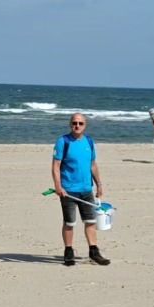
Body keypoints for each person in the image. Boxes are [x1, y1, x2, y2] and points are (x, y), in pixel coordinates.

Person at [51, 113, 111, 267]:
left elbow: (93, 164)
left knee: (90, 221)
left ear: (85, 125)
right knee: (69, 223)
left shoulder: (89, 142)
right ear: (70, 124)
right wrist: (58, 186)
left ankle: (94, 252)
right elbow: (56, 166)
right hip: (68, 191)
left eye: (80, 123)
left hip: (86, 190)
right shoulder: (63, 141)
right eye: (74, 123)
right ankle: (68, 252)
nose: (77, 126)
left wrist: (99, 184)